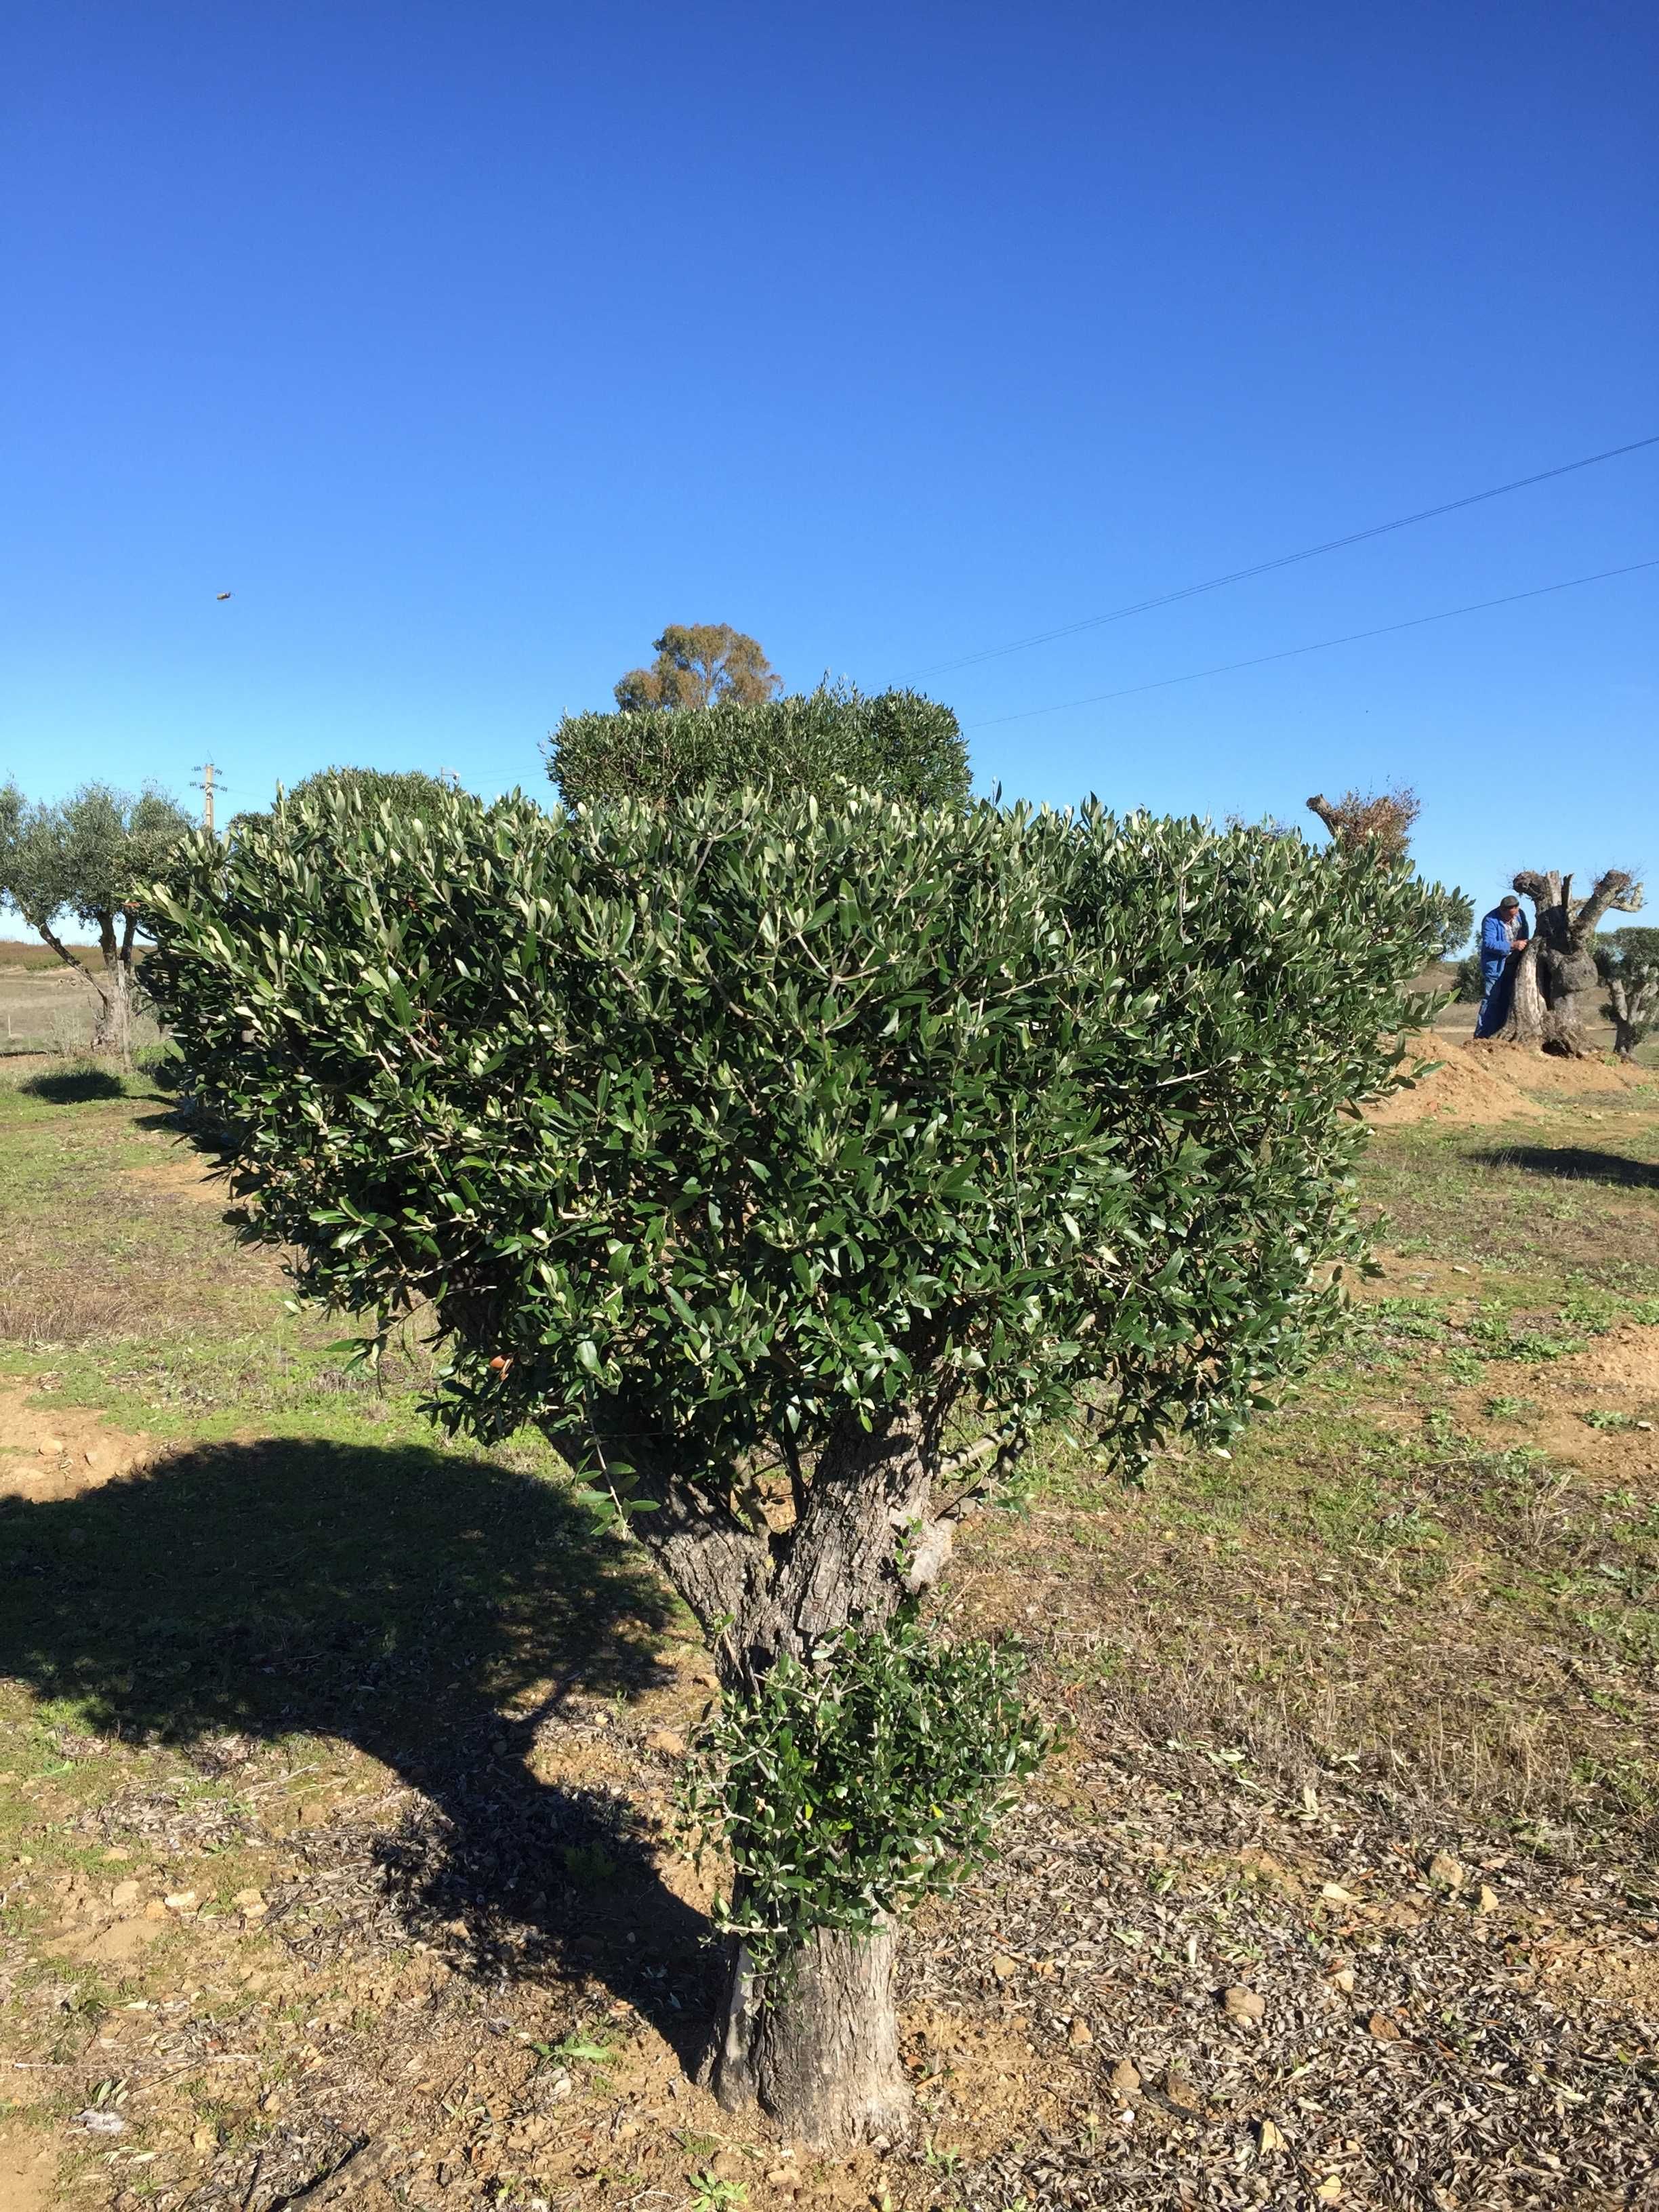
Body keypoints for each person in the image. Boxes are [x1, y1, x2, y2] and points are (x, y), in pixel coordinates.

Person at [1473, 893, 1529, 1038]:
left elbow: (1525, 931)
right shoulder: (1490, 920)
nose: (1512, 918)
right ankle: (1481, 1036)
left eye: (1514, 915)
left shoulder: (1520, 915)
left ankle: (1500, 1033)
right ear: (1502, 910)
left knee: (1509, 997)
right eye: (1509, 916)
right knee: (1492, 999)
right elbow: (1489, 944)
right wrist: (1512, 945)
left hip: (1515, 963)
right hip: (1496, 965)